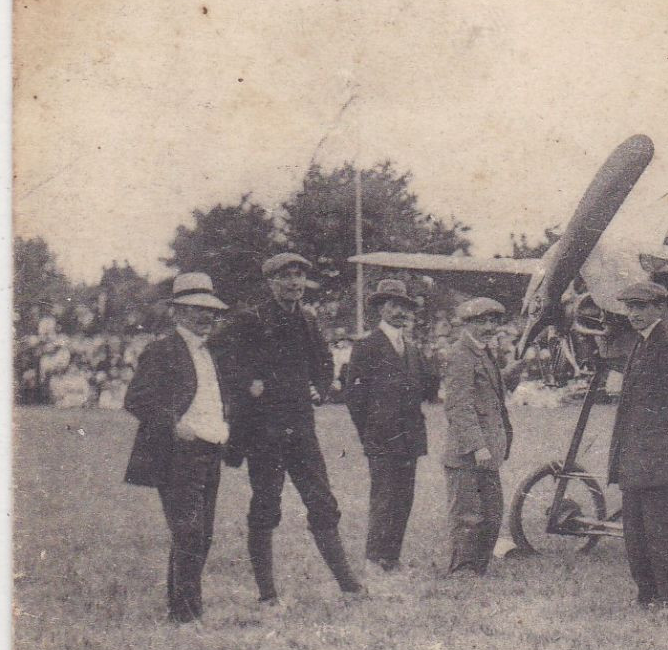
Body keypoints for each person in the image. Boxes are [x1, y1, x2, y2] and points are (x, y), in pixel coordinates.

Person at [211, 252, 365, 604]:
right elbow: (216, 354)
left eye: (299, 276)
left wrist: (320, 387)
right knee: (266, 504)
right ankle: (267, 595)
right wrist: (246, 382)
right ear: (271, 281)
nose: (294, 283)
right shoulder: (250, 320)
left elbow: (324, 364)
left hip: (300, 427)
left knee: (322, 502)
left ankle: (349, 586)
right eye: (286, 276)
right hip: (262, 430)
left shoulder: (308, 321)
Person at [122, 274, 234, 623]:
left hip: (210, 450)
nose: (206, 317)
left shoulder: (209, 351)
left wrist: (224, 425)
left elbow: (213, 396)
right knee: (189, 532)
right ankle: (186, 614)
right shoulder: (162, 350)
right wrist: (175, 425)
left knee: (202, 534)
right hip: (177, 453)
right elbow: (136, 399)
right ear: (177, 313)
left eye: (210, 311)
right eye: (196, 309)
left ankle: (181, 607)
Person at [607, 281, 668, 613]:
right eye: (630, 307)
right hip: (634, 455)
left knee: (659, 531)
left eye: (641, 307)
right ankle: (647, 595)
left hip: (657, 455)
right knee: (635, 532)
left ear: (659, 309)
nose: (634, 314)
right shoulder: (640, 345)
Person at [345, 278, 438, 573]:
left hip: (409, 436)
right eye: (394, 305)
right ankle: (374, 557)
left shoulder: (411, 348)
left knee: (403, 498)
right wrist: (370, 432)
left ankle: (392, 557)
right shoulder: (367, 346)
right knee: (383, 497)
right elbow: (354, 397)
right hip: (381, 437)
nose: (400, 312)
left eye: (404, 307)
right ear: (381, 308)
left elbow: (426, 389)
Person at [441, 297, 518, 576]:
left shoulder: (484, 353)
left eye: (493, 321)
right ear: (467, 324)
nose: (489, 327)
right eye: (481, 321)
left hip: (488, 451)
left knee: (492, 514)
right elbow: (459, 405)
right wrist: (478, 446)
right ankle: (462, 571)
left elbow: (491, 393)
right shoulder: (460, 354)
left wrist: (514, 370)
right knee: (467, 515)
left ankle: (478, 568)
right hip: (468, 452)